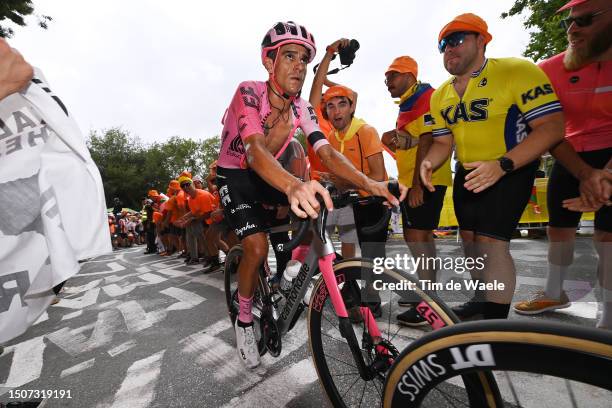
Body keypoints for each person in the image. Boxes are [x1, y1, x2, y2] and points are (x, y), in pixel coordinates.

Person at [215, 21, 402, 368]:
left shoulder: (302, 107)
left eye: (304, 59)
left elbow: (327, 152)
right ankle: (243, 320)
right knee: (255, 245)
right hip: (237, 173)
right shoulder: (249, 92)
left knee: (320, 206)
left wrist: (370, 182)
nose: (299, 66)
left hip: (270, 174)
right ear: (269, 62)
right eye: (289, 56)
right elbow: (255, 152)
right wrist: (293, 184)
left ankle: (291, 273)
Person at [420, 13, 565, 320]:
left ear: (481, 40)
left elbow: (552, 127)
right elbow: (443, 143)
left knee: (490, 244)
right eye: (443, 45)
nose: (448, 49)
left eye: (456, 40)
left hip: (511, 167)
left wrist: (502, 165)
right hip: (468, 173)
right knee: (470, 243)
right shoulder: (440, 95)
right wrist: (429, 163)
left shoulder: (516, 70)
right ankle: (480, 300)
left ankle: (496, 321)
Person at [513, 0, 612, 330]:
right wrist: (585, 174)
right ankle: (555, 292)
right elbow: (547, 128)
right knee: (559, 229)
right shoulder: (549, 69)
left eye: (583, 21)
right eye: (569, 22)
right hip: (568, 154)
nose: (572, 29)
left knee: (607, 235)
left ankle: (609, 311)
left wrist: (606, 176)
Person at [381, 56, 453, 326]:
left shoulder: (425, 96)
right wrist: (391, 139)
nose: (388, 82)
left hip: (423, 179)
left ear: (410, 75)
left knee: (417, 238)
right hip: (416, 178)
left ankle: (427, 303)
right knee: (420, 238)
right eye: (386, 78)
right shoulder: (410, 102)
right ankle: (426, 294)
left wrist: (417, 185)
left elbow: (427, 137)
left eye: (393, 76)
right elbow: (414, 138)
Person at [308, 38, 360, 260]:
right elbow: (316, 88)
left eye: (338, 103)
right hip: (322, 189)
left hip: (345, 189)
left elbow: (353, 95)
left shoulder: (341, 121)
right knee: (321, 242)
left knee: (349, 239)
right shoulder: (314, 118)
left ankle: (347, 282)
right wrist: (330, 52)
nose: (333, 106)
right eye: (328, 102)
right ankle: (322, 283)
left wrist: (331, 83)